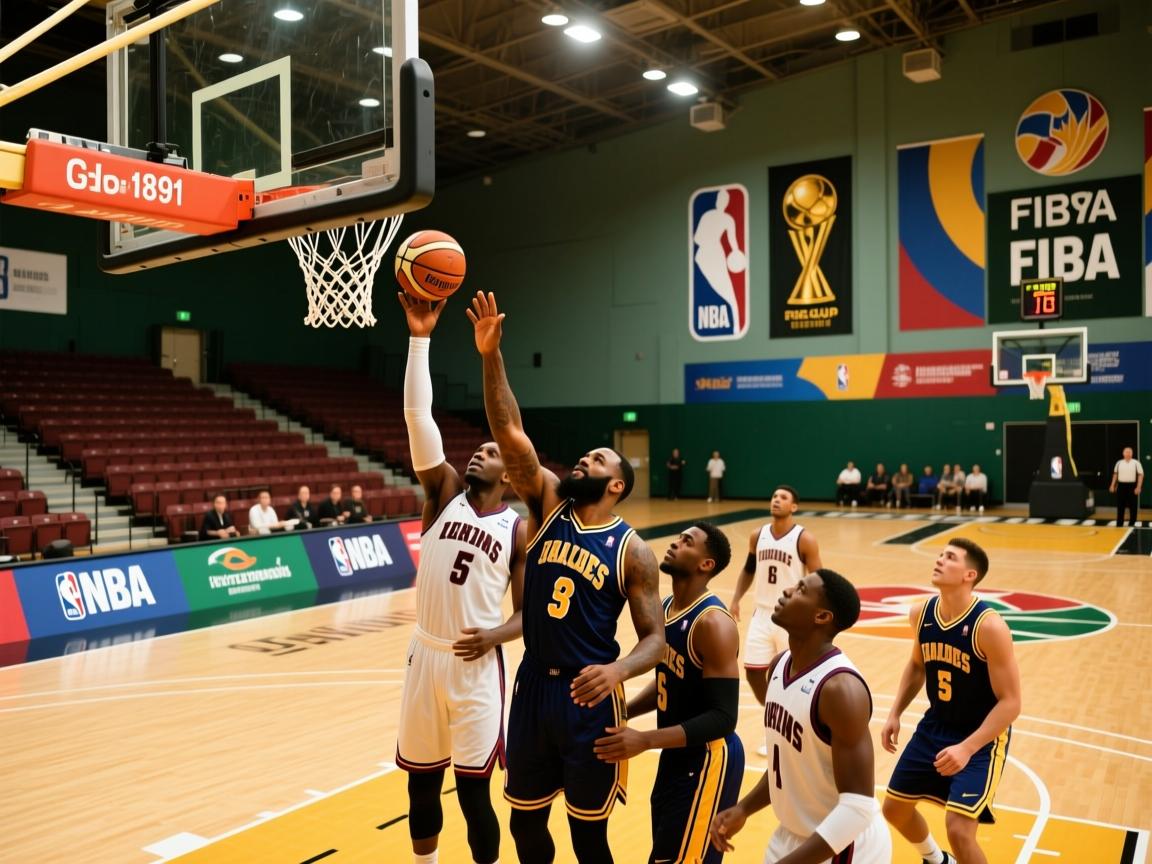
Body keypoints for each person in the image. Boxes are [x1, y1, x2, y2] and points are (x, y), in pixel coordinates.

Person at [468, 291, 665, 864]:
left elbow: (655, 640)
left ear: (617, 485)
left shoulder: (634, 552)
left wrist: (618, 670)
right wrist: (491, 357)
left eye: (599, 460)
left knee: (589, 839)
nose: (585, 461)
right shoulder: (548, 502)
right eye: (585, 456)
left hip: (590, 694)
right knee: (525, 828)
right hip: (533, 688)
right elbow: (509, 431)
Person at [394, 292, 528, 864]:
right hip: (425, 656)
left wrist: (495, 637)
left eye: (490, 451)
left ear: (510, 470)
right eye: (475, 449)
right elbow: (417, 417)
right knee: (420, 784)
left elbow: (523, 615)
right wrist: (419, 337)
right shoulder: (442, 492)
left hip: (477, 666)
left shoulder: (518, 528)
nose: (478, 454)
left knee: (475, 794)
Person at [709, 569, 891, 864]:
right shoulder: (779, 665)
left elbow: (857, 807)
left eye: (801, 590)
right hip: (792, 835)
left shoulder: (841, 690)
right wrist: (744, 808)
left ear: (821, 617)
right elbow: (790, 765)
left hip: (845, 845)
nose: (786, 591)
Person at [593, 522, 743, 864]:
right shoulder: (667, 606)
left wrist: (645, 740)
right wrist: (625, 711)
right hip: (676, 752)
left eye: (687, 542)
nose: (675, 544)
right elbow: (669, 681)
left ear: (706, 565)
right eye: (678, 538)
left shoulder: (712, 624)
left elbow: (723, 717)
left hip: (708, 758)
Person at [881, 538, 1021, 864]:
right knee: (894, 809)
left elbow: (1011, 703)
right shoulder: (922, 613)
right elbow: (918, 665)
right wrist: (895, 713)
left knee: (958, 829)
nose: (939, 560)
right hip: (935, 726)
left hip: (981, 736)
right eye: (940, 554)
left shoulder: (990, 627)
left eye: (950, 557)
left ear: (969, 574)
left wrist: (967, 748)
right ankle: (936, 859)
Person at [730, 486, 823, 758]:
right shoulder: (757, 535)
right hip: (761, 613)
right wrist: (736, 598)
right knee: (753, 671)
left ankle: (797, 732)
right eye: (773, 496)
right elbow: (749, 569)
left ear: (794, 507)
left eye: (783, 498)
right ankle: (776, 714)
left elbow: (818, 579)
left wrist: (814, 614)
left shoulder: (804, 539)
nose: (776, 500)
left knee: (791, 676)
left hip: (792, 616)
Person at [1109, 446, 1144, 527]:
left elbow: (1141, 475)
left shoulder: (1136, 463)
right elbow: (1115, 474)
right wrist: (1112, 485)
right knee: (1120, 505)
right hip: (1121, 486)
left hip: (1132, 486)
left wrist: (1138, 487)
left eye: (1129, 452)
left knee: (1133, 506)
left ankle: (1132, 524)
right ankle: (1119, 524)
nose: (1128, 453)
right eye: (1126, 452)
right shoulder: (1119, 463)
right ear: (1123, 453)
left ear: (1132, 453)